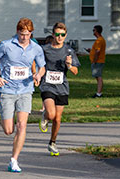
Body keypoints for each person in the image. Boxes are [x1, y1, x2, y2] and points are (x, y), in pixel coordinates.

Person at [0, 18, 47, 173]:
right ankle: (0, 108)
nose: (24, 37)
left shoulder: (36, 48)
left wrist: (38, 75)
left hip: (26, 90)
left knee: (22, 125)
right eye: (22, 34)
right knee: (8, 130)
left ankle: (14, 160)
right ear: (17, 31)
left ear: (31, 33)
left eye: (27, 34)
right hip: (8, 90)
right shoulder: (6, 45)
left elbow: (42, 67)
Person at [39, 22, 80, 156]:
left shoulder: (69, 51)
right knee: (51, 114)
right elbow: (36, 63)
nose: (60, 37)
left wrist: (69, 65)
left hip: (62, 87)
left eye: (62, 35)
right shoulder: (45, 49)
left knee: (57, 118)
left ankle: (52, 142)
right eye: (57, 34)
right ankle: (45, 117)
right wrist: (37, 74)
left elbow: (75, 71)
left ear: (65, 35)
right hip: (47, 85)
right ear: (53, 35)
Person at [87, 25, 106, 98]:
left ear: (96, 31)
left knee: (98, 77)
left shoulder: (99, 40)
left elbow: (98, 51)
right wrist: (91, 51)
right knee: (97, 76)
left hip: (98, 61)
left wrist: (94, 60)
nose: (93, 32)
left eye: (94, 30)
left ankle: (99, 93)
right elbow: (96, 50)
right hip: (99, 60)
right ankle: (99, 92)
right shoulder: (101, 39)